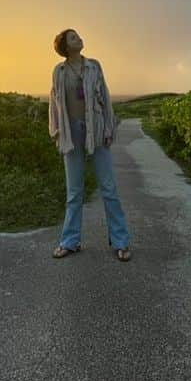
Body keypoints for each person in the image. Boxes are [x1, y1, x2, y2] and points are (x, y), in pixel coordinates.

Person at [48, 28, 132, 262]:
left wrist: (108, 128)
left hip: (95, 128)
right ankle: (69, 241)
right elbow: (54, 102)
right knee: (74, 192)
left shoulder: (94, 66)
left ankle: (121, 241)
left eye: (78, 35)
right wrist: (56, 132)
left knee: (109, 188)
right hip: (71, 133)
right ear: (65, 47)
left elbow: (104, 97)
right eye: (73, 37)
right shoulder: (59, 71)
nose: (80, 38)